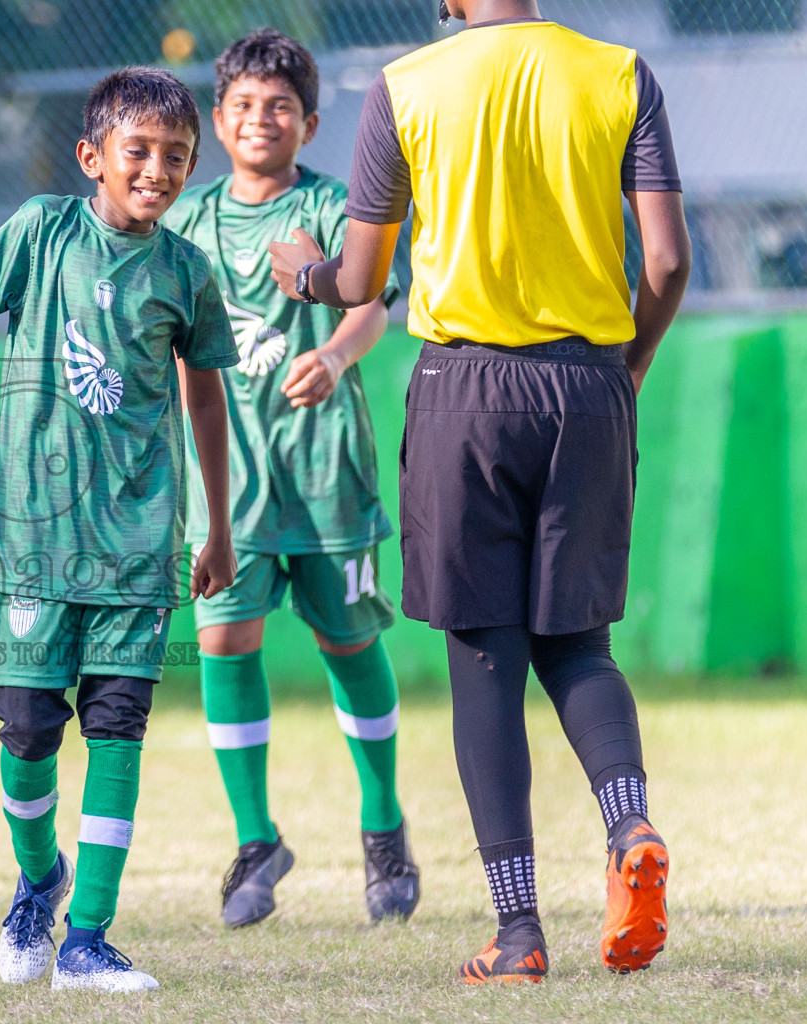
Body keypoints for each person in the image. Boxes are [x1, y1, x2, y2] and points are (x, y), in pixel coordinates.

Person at [268, 0, 691, 984]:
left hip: (464, 390)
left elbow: (363, 276)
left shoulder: (403, 87)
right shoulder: (619, 74)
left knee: (483, 659)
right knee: (578, 643)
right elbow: (666, 259)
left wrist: (305, 275)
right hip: (586, 384)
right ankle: (626, 820)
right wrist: (623, 368)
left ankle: (517, 933)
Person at [0, 67, 239, 993]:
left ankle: (87, 940)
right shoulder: (41, 232)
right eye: (139, 152)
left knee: (119, 729)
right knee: (25, 740)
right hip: (35, 555)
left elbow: (206, 401)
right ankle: (40, 879)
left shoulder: (185, 273)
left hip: (138, 549)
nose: (158, 171)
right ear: (92, 157)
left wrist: (217, 526)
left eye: (178, 157)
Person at [163, 27, 417, 930]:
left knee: (349, 645)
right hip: (225, 480)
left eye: (279, 106)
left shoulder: (340, 207)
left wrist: (339, 356)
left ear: (308, 123)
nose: (259, 119)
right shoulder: (185, 221)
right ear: (217, 122)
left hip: (324, 472)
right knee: (224, 644)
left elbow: (376, 308)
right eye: (242, 106)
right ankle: (256, 839)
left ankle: (383, 827)